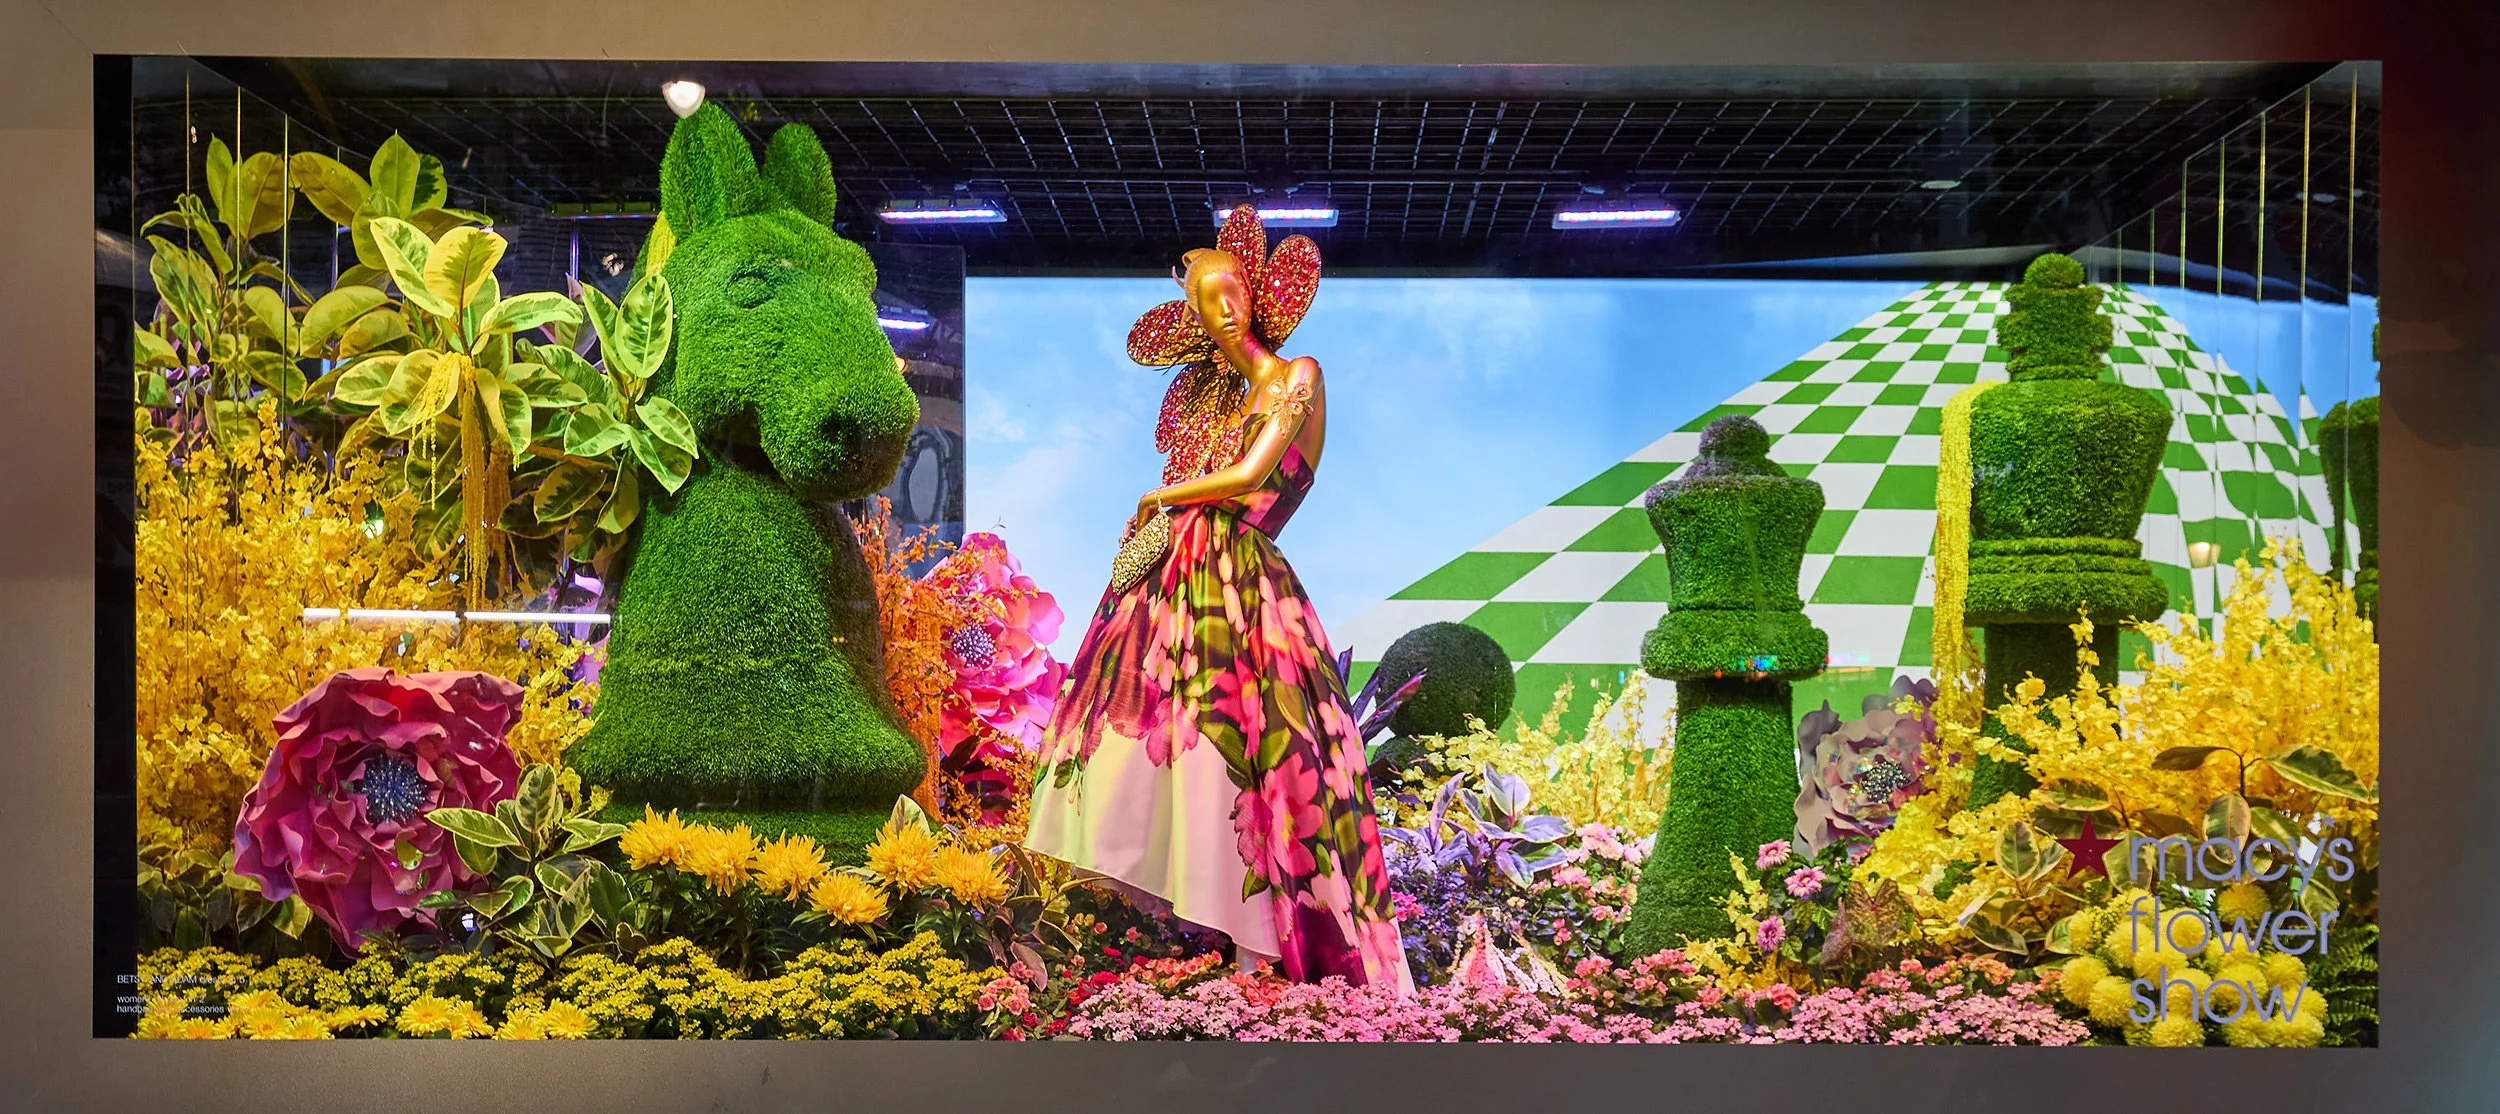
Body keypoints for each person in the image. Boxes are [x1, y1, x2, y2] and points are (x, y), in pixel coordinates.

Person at [1024, 207, 1414, 993]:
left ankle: (1264, 949)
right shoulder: (1216, 403)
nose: (1224, 306)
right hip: (1187, 588)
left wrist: (1159, 493)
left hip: (1245, 591)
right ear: (1196, 317)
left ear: (1258, 288)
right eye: (1206, 299)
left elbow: (1250, 479)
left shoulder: (1298, 375)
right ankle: (1207, 940)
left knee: (1258, 757)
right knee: (1178, 760)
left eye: (1230, 287)